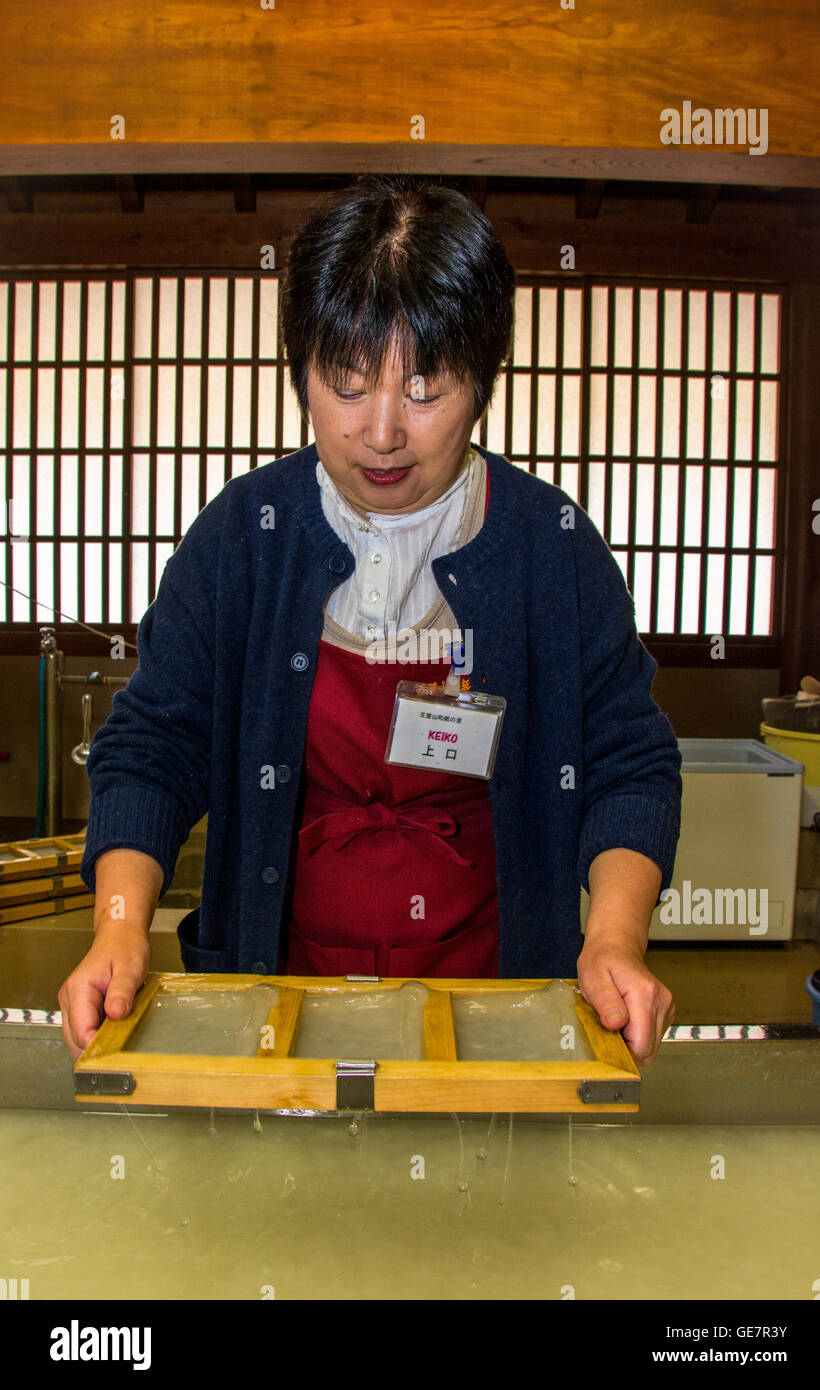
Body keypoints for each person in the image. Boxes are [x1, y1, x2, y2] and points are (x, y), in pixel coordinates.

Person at [59, 174, 681, 1066]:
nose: (382, 432)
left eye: (425, 389)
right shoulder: (246, 534)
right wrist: (120, 929)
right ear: (298, 374)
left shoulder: (550, 547)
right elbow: (154, 744)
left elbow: (629, 762)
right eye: (346, 385)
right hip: (272, 991)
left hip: (499, 999)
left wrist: (613, 941)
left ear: (485, 382)